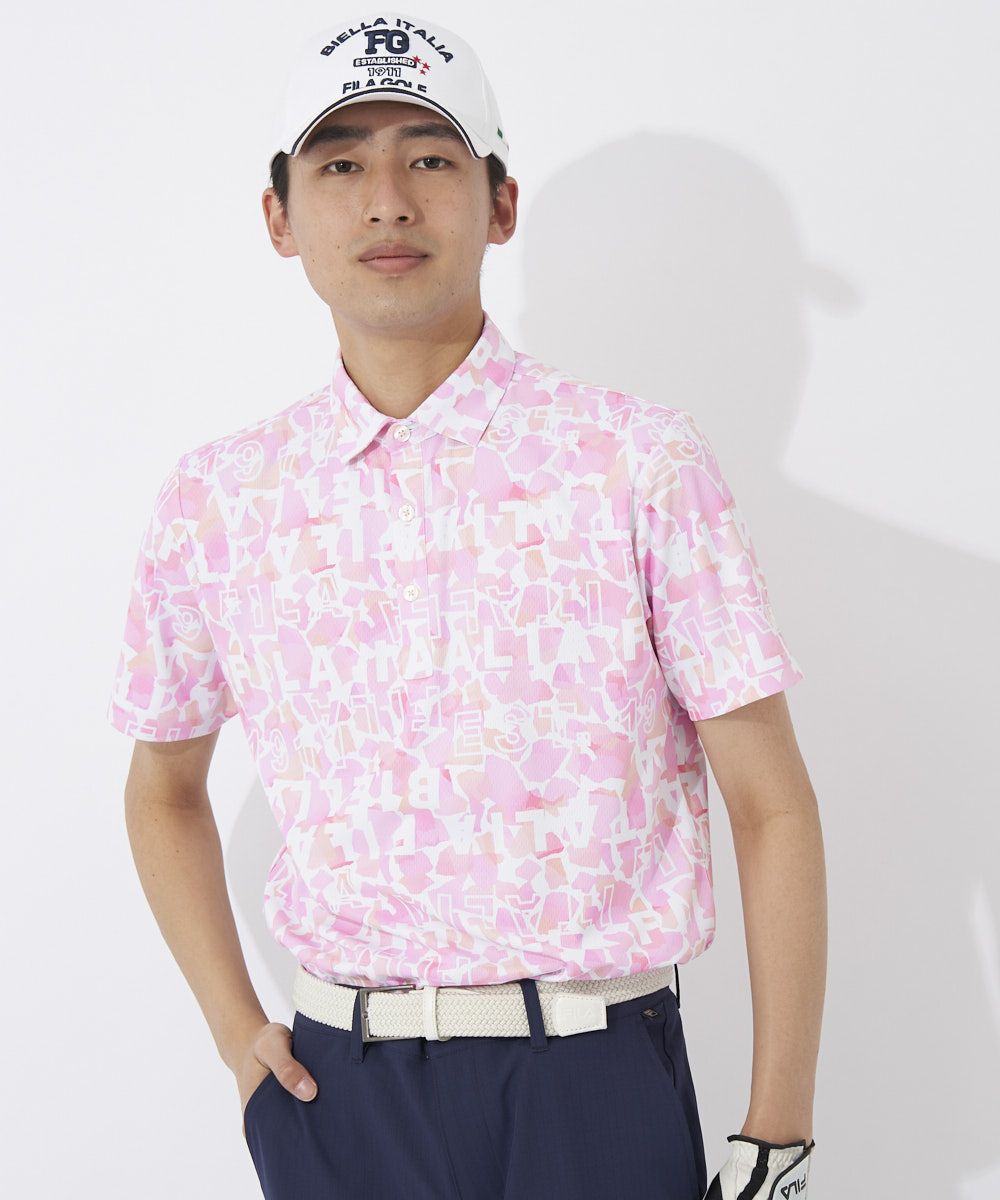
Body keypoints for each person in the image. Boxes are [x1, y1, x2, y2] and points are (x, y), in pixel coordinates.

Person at [106, 10, 825, 1200]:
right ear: (279, 217)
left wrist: (777, 1131)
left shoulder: (635, 462)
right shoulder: (220, 499)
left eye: (430, 158)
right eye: (341, 165)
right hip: (337, 1093)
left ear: (499, 203)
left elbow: (771, 804)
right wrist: (240, 1038)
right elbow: (162, 790)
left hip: (594, 1079)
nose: (387, 202)